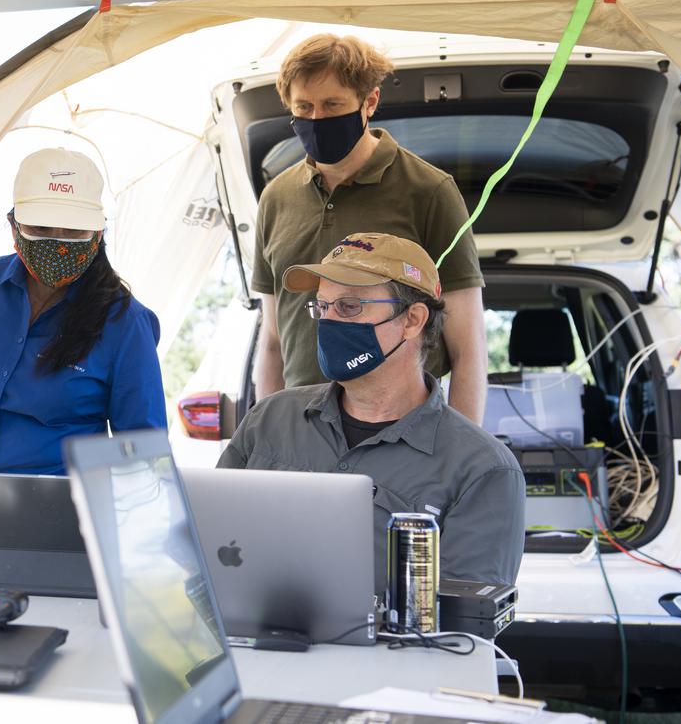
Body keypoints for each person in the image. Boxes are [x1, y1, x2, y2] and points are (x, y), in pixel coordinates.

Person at [0, 148, 168, 604]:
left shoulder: (124, 321)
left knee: (41, 647)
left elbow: (141, 442)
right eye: (41, 228)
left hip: (54, 513)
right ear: (12, 225)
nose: (57, 242)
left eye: (72, 232)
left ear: (98, 233)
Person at [220, 233, 524, 592]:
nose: (328, 322)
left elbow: (462, 629)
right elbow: (210, 542)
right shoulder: (268, 419)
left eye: (349, 307)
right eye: (322, 307)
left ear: (412, 319)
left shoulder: (482, 470)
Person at [253, 33, 488, 423]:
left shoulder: (429, 191)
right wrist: (267, 431)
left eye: (332, 105)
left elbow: (468, 345)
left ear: (370, 102)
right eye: (304, 107)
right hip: (302, 425)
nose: (317, 119)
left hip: (405, 428)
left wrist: (461, 456)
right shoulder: (276, 197)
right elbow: (273, 340)